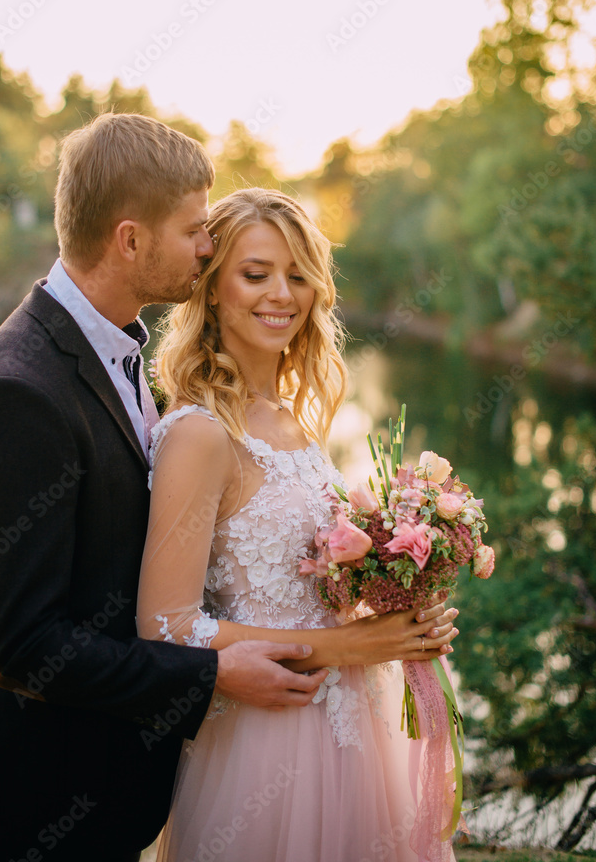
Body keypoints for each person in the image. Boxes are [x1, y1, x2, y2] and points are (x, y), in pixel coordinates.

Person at [0, 114, 331, 862]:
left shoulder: (118, 352)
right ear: (129, 239)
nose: (208, 246)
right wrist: (210, 671)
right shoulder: (17, 391)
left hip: (121, 785)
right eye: (193, 231)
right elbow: (22, 648)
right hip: (56, 797)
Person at [136, 187, 460, 862]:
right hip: (265, 740)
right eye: (256, 274)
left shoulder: (293, 417)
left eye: (298, 274)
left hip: (352, 727)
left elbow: (304, 580)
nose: (282, 293)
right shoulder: (199, 433)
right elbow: (165, 627)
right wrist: (349, 648)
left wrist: (395, 599)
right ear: (213, 287)